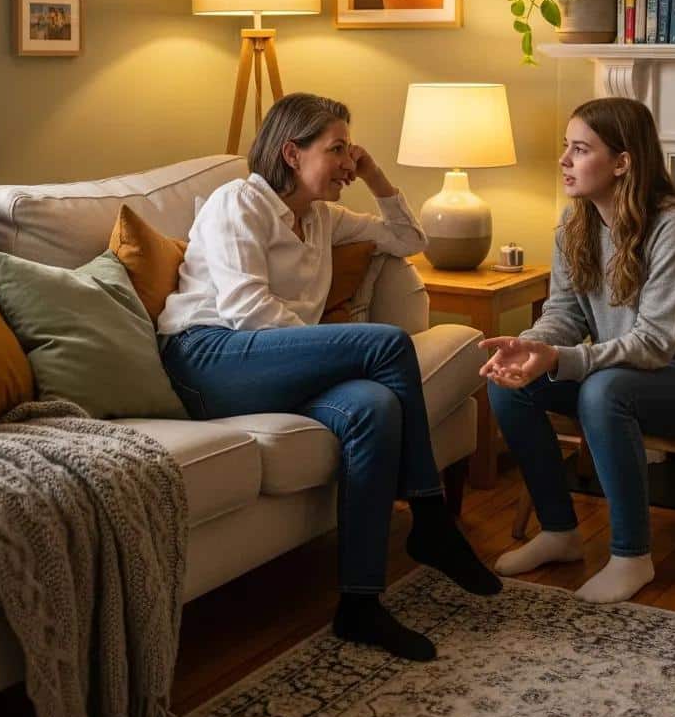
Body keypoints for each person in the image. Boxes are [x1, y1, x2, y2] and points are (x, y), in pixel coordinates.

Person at [158, 93, 500, 661]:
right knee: (386, 344)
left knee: (374, 406)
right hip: (209, 358)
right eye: (336, 149)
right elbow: (246, 310)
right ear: (292, 153)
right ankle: (431, 519)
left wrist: (373, 174)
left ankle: (359, 604)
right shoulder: (238, 202)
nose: (347, 161)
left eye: (350, 150)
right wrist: (327, 348)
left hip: (271, 361)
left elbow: (412, 241)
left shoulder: (321, 219)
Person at [481, 97, 675, 604]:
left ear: (622, 163)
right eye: (567, 147)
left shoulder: (674, 225)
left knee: (602, 392)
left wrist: (562, 360)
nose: (563, 161)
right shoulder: (575, 221)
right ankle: (560, 532)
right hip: (626, 374)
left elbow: (654, 343)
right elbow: (565, 315)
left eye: (580, 149)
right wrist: (527, 347)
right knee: (511, 386)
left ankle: (631, 556)